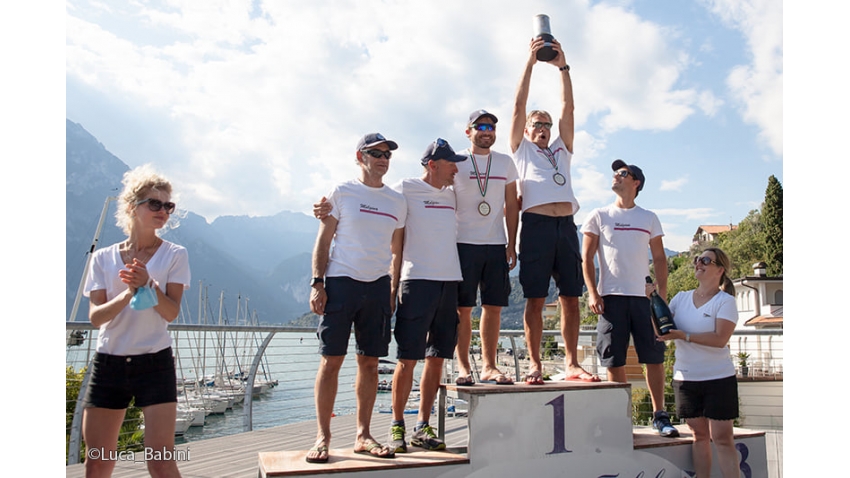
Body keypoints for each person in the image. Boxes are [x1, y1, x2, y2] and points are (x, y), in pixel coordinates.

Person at [82, 165, 190, 478]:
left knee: (160, 461)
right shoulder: (103, 258)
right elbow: (96, 317)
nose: (163, 211)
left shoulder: (174, 255)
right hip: (109, 364)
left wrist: (149, 284)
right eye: (154, 204)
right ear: (132, 207)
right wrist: (129, 292)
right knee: (98, 462)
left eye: (168, 206)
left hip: (155, 363)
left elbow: (171, 313)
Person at [306, 133, 406, 463]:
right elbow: (324, 240)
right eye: (375, 153)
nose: (382, 158)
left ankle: (363, 435)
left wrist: (392, 288)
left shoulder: (397, 201)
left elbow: (397, 250)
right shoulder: (342, 192)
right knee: (331, 360)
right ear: (359, 156)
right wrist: (317, 283)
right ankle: (323, 437)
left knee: (370, 362)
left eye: (387, 154)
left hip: (377, 286)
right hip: (340, 282)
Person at [509, 37, 597, 384]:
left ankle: (572, 363)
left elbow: (568, 109)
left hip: (566, 227)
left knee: (571, 298)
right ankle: (534, 364)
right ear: (527, 131)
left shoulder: (563, 149)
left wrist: (563, 67)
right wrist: (530, 64)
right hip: (536, 226)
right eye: (538, 125)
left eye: (547, 124)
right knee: (533, 298)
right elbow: (518, 108)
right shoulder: (522, 150)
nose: (544, 129)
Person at [580, 160, 676, 437]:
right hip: (610, 299)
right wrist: (592, 292)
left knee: (654, 357)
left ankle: (660, 415)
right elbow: (586, 257)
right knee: (614, 359)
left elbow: (659, 258)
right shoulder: (599, 215)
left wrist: (662, 295)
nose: (616, 176)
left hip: (644, 299)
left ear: (636, 183)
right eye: (615, 173)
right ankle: (620, 419)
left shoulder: (649, 217)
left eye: (623, 173)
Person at [387, 138, 466, 453]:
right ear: (432, 165)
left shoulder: (453, 195)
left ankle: (422, 425)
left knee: (436, 359)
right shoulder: (404, 188)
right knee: (407, 359)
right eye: (450, 164)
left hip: (449, 283)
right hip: (416, 281)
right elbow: (375, 202)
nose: (456, 170)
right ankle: (397, 426)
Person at [648, 248, 740, 477]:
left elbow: (720, 339)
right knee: (699, 437)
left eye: (706, 260)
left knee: (722, 439)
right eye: (697, 259)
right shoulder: (680, 298)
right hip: (685, 379)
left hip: (718, 378)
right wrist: (651, 300)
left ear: (720, 269)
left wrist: (684, 336)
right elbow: (662, 331)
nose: (699, 263)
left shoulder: (725, 301)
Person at [453, 109, 519, 385]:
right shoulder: (455, 161)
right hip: (461, 243)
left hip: (495, 244)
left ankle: (490, 366)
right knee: (463, 309)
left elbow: (512, 205)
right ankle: (464, 367)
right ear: (468, 132)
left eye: (491, 126)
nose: (486, 131)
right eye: (480, 126)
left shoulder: (505, 162)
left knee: (493, 307)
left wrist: (511, 244)